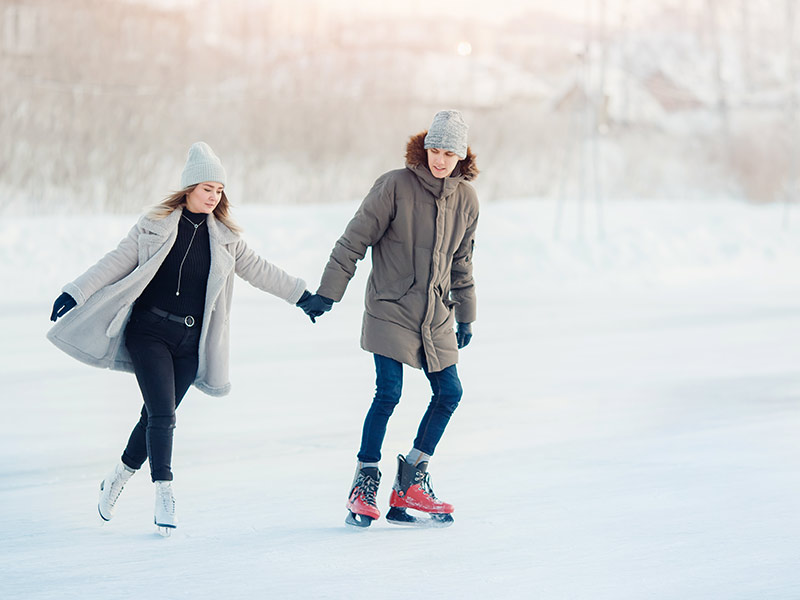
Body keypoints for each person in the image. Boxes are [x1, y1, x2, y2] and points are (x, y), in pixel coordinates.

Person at [48, 142, 315, 536]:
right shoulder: (153, 227)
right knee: (163, 416)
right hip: (148, 332)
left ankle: (118, 477)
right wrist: (76, 291)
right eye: (207, 187)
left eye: (219, 190)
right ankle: (164, 492)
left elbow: (260, 270)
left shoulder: (225, 238)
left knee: (153, 417)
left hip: (190, 344)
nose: (214, 196)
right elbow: (114, 262)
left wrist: (301, 296)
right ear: (188, 188)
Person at [298, 110, 479, 527]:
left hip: (434, 314)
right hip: (390, 307)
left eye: (449, 153)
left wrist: (466, 315)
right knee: (389, 392)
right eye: (435, 149)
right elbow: (354, 239)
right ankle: (364, 483)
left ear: (461, 156)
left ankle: (411, 481)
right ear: (424, 147)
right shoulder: (394, 186)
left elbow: (462, 262)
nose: (440, 159)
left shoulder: (467, 200)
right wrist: (329, 292)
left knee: (450, 393)